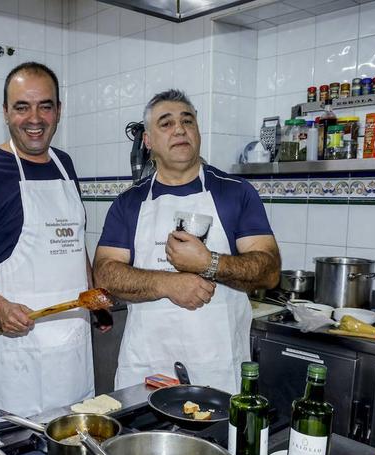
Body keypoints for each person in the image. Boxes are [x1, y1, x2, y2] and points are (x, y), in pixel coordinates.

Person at [0, 62, 107, 424]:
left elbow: (75, 242)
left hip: (72, 340)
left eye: (45, 106)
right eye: (22, 107)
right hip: (17, 346)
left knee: (77, 431)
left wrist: (94, 297)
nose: (35, 118)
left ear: (58, 110)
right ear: (5, 112)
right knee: (21, 442)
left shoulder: (65, 164)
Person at [94, 89, 280, 393]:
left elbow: (269, 271)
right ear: (148, 141)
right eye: (166, 124)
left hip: (217, 372)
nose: (180, 129)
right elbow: (104, 273)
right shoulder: (129, 203)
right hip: (145, 373)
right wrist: (168, 284)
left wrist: (210, 263)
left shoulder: (235, 193)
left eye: (187, 121)